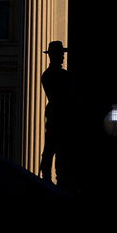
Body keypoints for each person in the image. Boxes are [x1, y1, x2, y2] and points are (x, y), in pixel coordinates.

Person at [39, 40, 72, 183]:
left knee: (54, 149)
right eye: (61, 54)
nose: (64, 57)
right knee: (55, 149)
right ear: (54, 56)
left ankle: (53, 177)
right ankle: (52, 178)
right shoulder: (58, 76)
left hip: (56, 115)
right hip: (59, 116)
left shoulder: (48, 75)